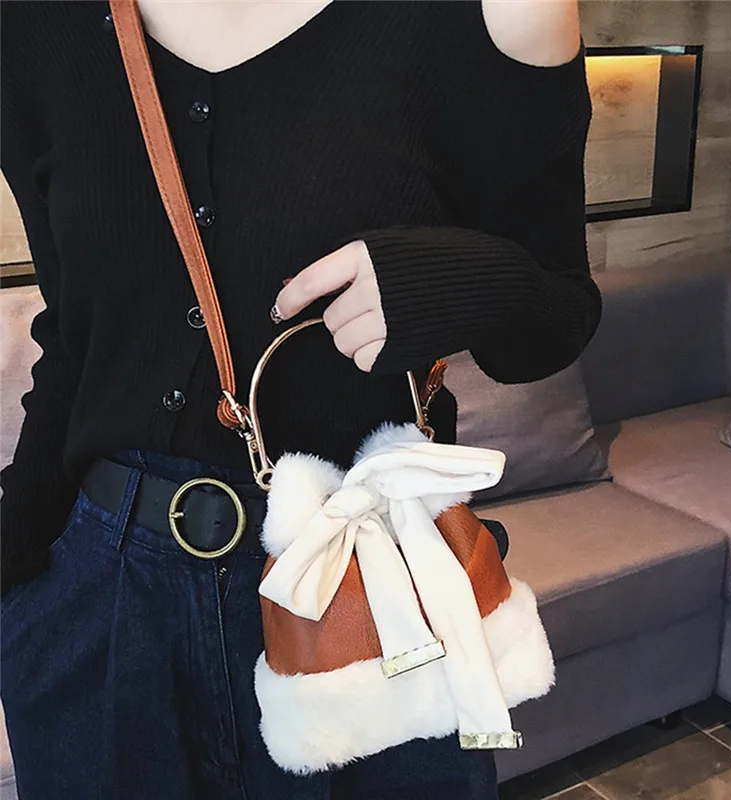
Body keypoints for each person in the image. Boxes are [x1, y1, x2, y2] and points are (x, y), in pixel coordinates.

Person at [0, 0, 602, 797]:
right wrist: (17, 581)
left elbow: (559, 313)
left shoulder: (500, 11)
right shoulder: (32, 25)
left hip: (367, 603)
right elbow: (75, 334)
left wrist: (446, 279)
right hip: (100, 608)